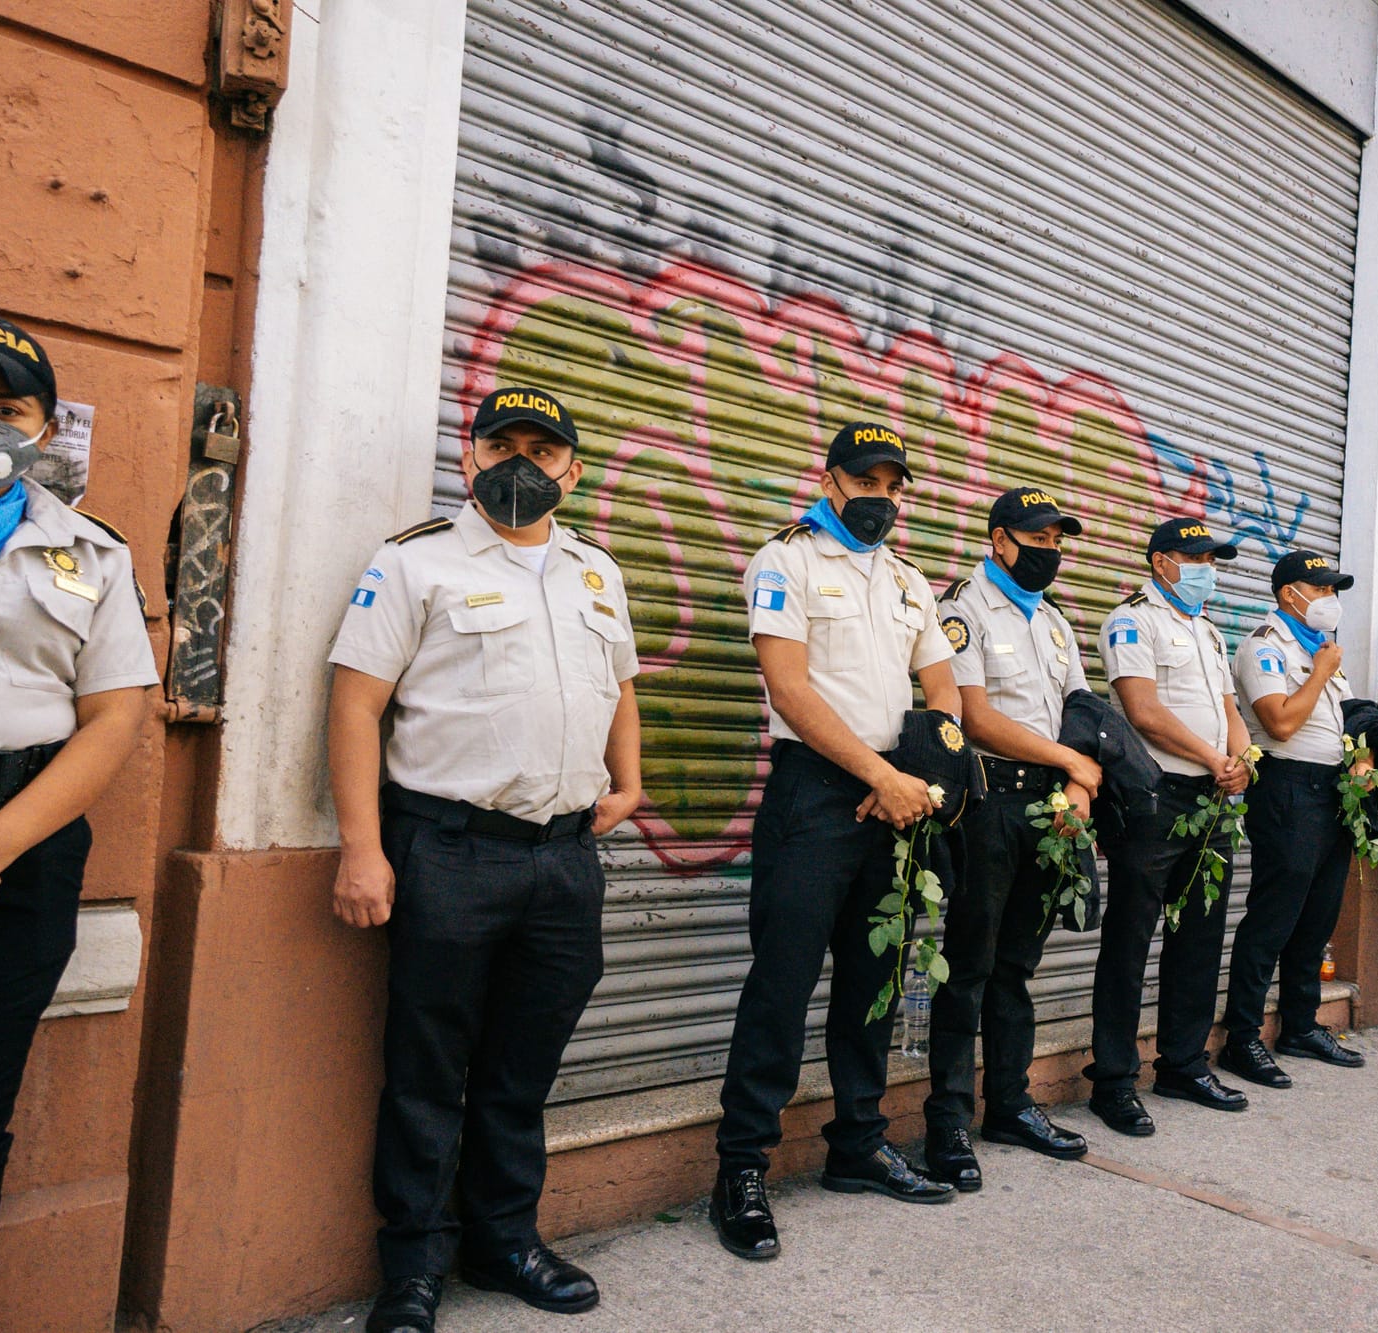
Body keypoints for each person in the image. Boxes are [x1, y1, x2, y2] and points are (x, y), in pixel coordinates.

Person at [328, 386, 644, 1331]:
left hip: (563, 860)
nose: (521, 463)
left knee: (522, 1066)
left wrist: (627, 782)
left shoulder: (596, 571)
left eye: (542, 451)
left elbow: (619, 684)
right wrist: (360, 848)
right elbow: (353, 704)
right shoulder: (412, 563)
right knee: (427, 1066)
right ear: (468, 459)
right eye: (500, 444)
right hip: (451, 850)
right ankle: (414, 1265)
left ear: (572, 471)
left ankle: (504, 1238)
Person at [708, 421, 961, 1261]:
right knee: (780, 986)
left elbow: (943, 686)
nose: (881, 496)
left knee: (872, 983)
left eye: (895, 483)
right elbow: (788, 685)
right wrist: (874, 777)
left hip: (896, 802)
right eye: (866, 480)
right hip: (816, 795)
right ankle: (741, 1169)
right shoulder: (786, 559)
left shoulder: (909, 580)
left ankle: (856, 1145)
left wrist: (923, 774)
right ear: (832, 478)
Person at [0, 316, 157, 1228]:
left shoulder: (94, 550)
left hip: (31, 830)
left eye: (8, 408)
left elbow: (113, 716)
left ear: (46, 429)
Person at [921, 487, 1094, 1191]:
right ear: (1000, 540)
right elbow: (973, 716)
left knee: (1017, 966)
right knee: (968, 966)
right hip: (988, 804)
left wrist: (1080, 787)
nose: (1049, 550)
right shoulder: (964, 608)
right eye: (1037, 537)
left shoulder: (1054, 621)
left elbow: (1080, 709)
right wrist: (1071, 764)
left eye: (1058, 538)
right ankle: (949, 1122)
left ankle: (1010, 1104)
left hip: (1050, 809)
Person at [1086, 517, 1253, 1135]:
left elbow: (1230, 710)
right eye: (1197, 556)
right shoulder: (1133, 620)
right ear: (1162, 562)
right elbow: (1143, 710)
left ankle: (1183, 1063)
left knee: (1201, 936)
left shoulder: (1206, 630)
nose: (1208, 567)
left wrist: (1240, 763)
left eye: (1214, 558)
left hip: (1211, 801)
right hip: (1155, 800)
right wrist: (1213, 759)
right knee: (1129, 942)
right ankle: (1114, 1080)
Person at [1217, 550, 1366, 1089]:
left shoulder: (1321, 649)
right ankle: (1243, 1038)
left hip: (1331, 790)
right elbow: (1278, 722)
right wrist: (1321, 672)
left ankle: (1300, 1026)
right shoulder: (1265, 646)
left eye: (1333, 590)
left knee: (1317, 918)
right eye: (1321, 588)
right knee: (1274, 918)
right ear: (1289, 594)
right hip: (1286, 787)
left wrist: (1363, 758)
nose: (1330, 599)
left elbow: (1341, 721)